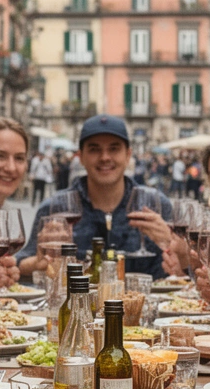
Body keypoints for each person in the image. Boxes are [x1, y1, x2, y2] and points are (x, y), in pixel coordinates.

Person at [17, 114, 173, 279]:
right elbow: (21, 264)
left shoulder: (156, 204)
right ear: (81, 157)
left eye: (114, 149)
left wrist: (171, 243)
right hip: (77, 304)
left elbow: (188, 270)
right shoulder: (55, 207)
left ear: (128, 155)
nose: (105, 157)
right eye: (94, 149)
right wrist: (40, 261)